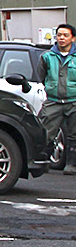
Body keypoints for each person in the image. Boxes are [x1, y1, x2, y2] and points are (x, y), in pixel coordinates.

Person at [42, 24, 76, 171]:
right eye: (59, 35)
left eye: (65, 35)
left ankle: (71, 164)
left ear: (73, 38)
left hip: (74, 101)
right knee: (46, 132)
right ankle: (43, 163)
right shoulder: (47, 57)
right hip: (53, 101)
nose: (61, 38)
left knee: (73, 134)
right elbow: (41, 76)